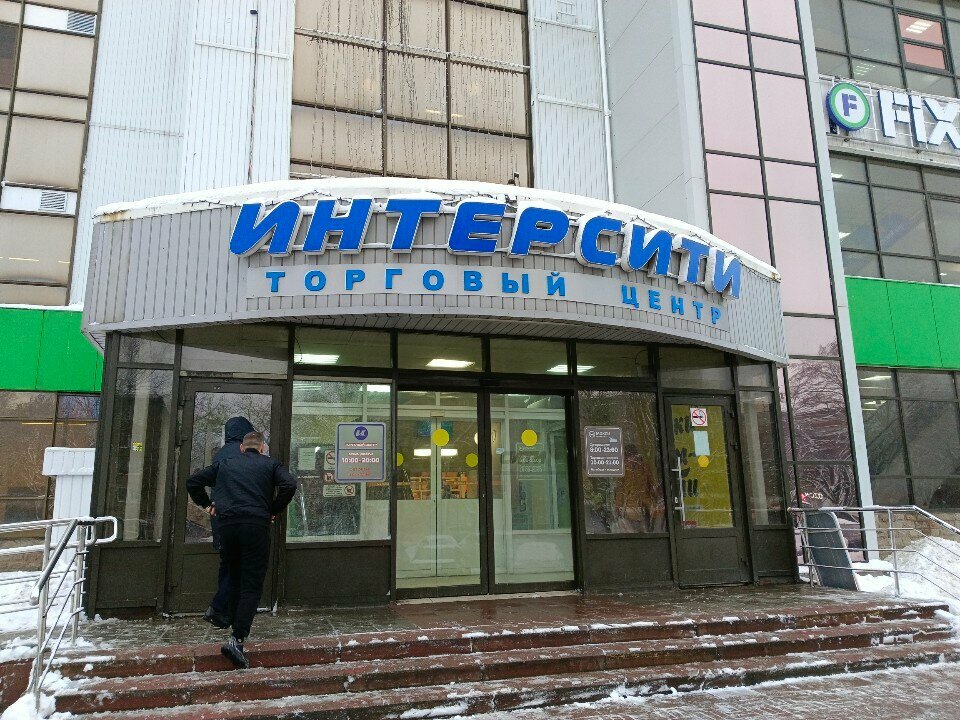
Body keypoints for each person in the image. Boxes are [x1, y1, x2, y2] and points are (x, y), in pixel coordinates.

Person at [187, 430, 297, 669]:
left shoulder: (225, 464)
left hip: (228, 526)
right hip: (256, 526)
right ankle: (236, 639)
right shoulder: (270, 464)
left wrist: (207, 504)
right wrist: (273, 509)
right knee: (252, 583)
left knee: (231, 570)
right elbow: (289, 484)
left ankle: (220, 610)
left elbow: (193, 481)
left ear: (241, 448)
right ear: (262, 448)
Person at [203, 416, 255, 631]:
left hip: (222, 519)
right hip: (238, 519)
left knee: (228, 565)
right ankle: (219, 608)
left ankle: (225, 611)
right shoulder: (242, 454)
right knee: (238, 568)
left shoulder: (221, 454)